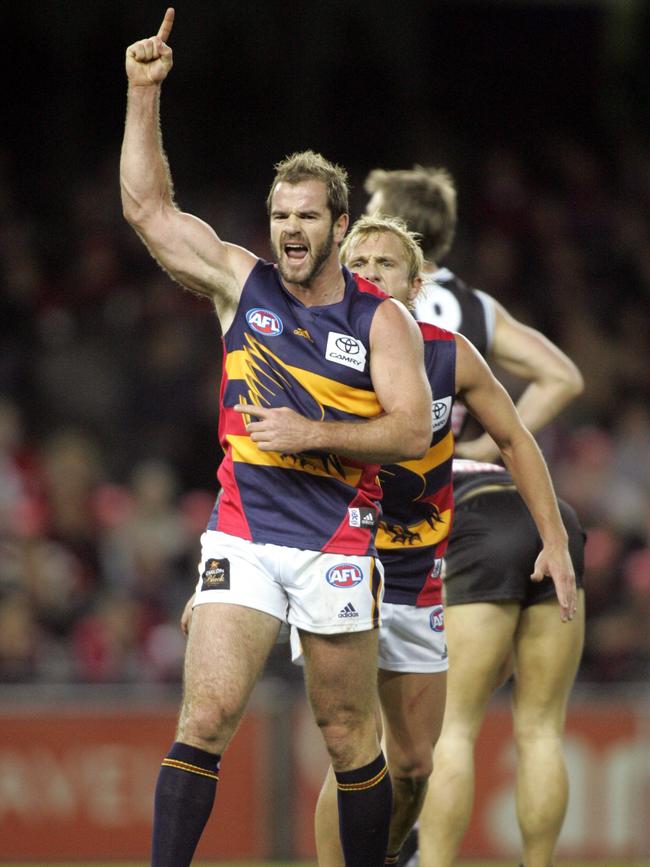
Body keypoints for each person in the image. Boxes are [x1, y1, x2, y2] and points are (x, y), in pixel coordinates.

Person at [120, 10, 434, 867]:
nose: (290, 229)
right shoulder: (240, 282)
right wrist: (143, 94)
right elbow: (150, 210)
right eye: (279, 215)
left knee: (344, 731)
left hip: (337, 533)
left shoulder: (382, 321)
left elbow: (411, 429)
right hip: (245, 530)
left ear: (338, 224)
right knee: (206, 714)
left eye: (307, 216)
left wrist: (310, 429)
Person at [302, 215, 578, 867]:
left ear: (415, 282)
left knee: (417, 761)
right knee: (352, 743)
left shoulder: (449, 353)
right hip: (344, 561)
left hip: (421, 572)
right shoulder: (310, 351)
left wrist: (557, 539)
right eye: (357, 261)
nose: (369, 272)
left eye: (385, 264)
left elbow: (515, 440)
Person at [410, 459, 585, 867]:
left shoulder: (407, 462)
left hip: (476, 519)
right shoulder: (491, 429)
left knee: (451, 729)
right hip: (554, 519)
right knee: (543, 731)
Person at [364, 165, 584, 460]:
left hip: (369, 472)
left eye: (371, 215)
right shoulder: (480, 307)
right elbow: (562, 377)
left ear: (392, 228)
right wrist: (485, 450)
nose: (363, 224)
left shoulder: (366, 291)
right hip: (437, 480)